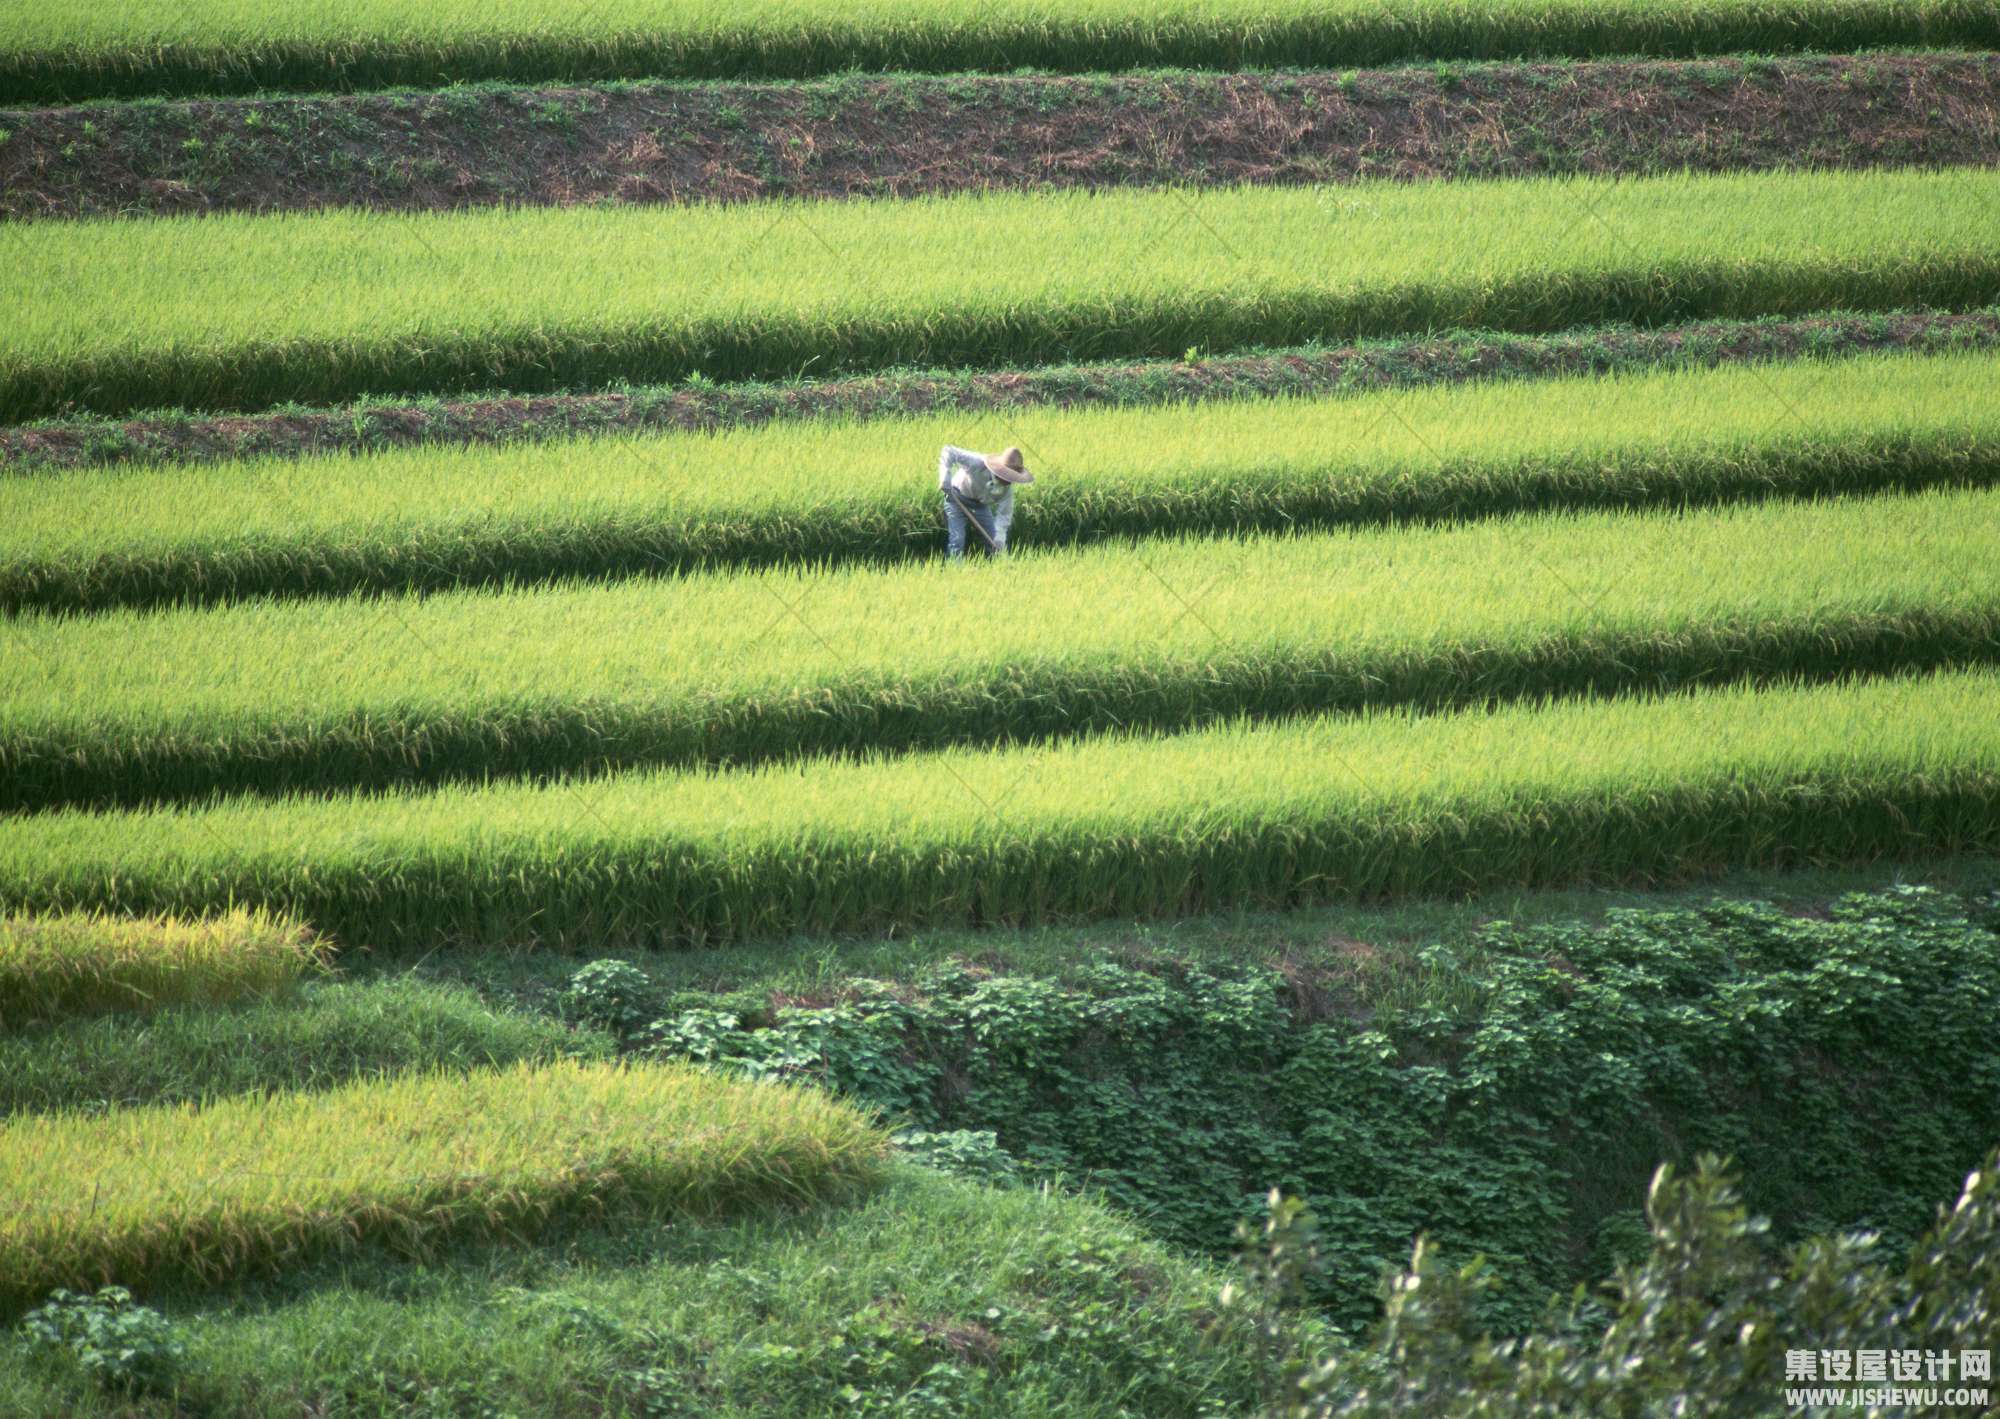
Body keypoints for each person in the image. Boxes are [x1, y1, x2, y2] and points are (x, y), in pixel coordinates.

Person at [938, 444, 1033, 559]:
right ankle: (953, 570)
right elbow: (949, 451)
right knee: (957, 539)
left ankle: (999, 568)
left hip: (980, 506)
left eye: (1013, 477)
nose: (1009, 480)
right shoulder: (978, 463)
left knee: (994, 542)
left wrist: (999, 538)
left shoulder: (1007, 490)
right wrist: (945, 477)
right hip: (956, 498)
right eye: (1008, 475)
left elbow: (1004, 515)